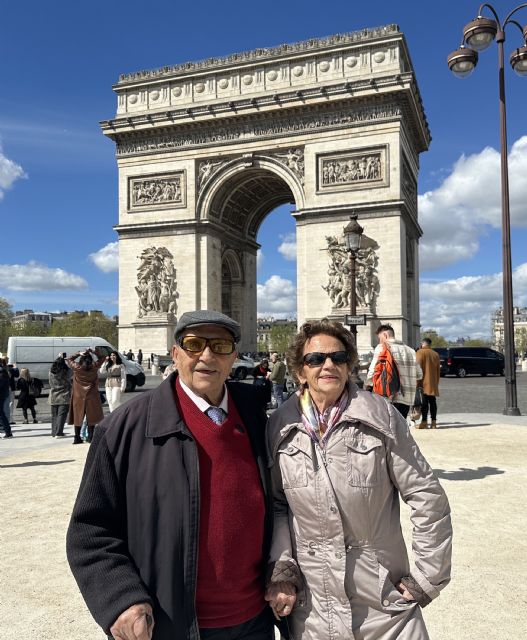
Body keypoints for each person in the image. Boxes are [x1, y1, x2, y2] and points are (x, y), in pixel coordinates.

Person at [67, 310, 277, 640]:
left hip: (254, 622)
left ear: (234, 356)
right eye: (194, 344)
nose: (207, 355)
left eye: (220, 345)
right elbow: (90, 530)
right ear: (175, 353)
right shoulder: (124, 428)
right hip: (171, 626)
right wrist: (120, 599)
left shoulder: (260, 420)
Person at [265, 319, 452, 640]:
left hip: (382, 602)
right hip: (313, 603)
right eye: (315, 359)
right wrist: (282, 568)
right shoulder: (279, 424)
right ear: (299, 371)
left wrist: (427, 576)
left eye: (338, 358)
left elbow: (427, 496)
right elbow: (278, 505)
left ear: (349, 365)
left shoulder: (381, 416)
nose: (328, 365)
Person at [366, 324, 422, 418]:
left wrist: (367, 386)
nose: (380, 341)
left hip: (387, 394)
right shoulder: (411, 351)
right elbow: (419, 375)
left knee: (387, 425)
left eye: (380, 338)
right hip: (407, 397)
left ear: (385, 335)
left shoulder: (381, 347)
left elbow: (372, 372)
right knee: (401, 425)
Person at [67, 348, 105, 444]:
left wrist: (79, 353)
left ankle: (77, 437)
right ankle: (90, 437)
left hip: (78, 395)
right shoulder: (94, 367)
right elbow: (103, 358)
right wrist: (93, 351)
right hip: (92, 394)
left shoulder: (77, 367)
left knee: (78, 415)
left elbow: (69, 359)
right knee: (91, 416)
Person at [416, 338, 441, 429]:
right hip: (433, 381)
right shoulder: (435, 354)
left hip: (423, 381)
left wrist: (416, 383)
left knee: (424, 403)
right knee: (433, 402)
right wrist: (436, 382)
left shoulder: (420, 352)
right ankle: (434, 422)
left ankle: (424, 421)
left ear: (422, 343)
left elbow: (417, 369)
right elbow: (438, 370)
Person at [49, 354, 73, 437]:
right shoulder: (66, 372)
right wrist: (67, 361)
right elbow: (72, 371)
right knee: (61, 415)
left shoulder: (51, 372)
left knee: (54, 416)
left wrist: (59, 358)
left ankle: (54, 432)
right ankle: (59, 432)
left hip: (53, 395)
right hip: (64, 395)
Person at [0, 366, 13, 438]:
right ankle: (8, 431)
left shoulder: (1, 372)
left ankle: (8, 432)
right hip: (3, 395)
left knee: (1, 414)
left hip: (1, 395)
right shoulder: (3, 371)